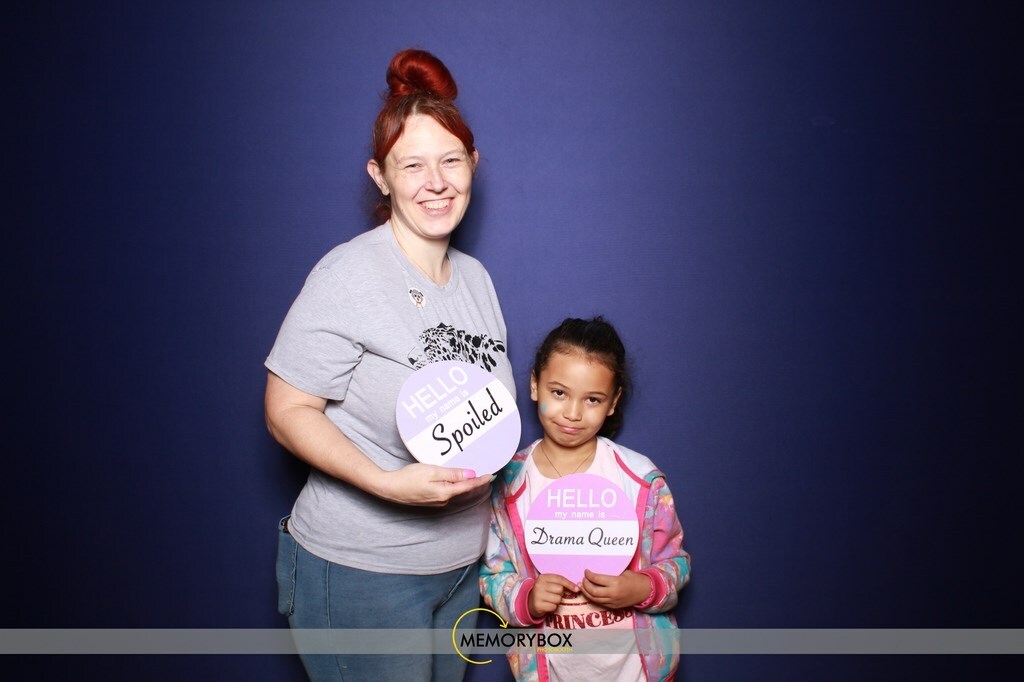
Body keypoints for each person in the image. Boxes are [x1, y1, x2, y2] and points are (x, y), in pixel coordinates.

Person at [265, 48, 515, 681]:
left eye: (450, 160)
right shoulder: (349, 273)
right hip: (363, 572)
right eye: (412, 165)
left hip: (461, 573)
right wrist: (385, 482)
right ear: (380, 177)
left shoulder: (477, 280)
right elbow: (286, 410)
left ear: (473, 163)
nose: (436, 182)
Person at [480, 317, 690, 681]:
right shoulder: (507, 485)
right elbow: (493, 574)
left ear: (613, 402)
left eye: (592, 399)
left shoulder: (640, 480)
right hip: (551, 669)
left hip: (637, 670)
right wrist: (526, 598)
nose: (573, 413)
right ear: (535, 385)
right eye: (559, 393)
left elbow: (676, 562)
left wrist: (642, 587)